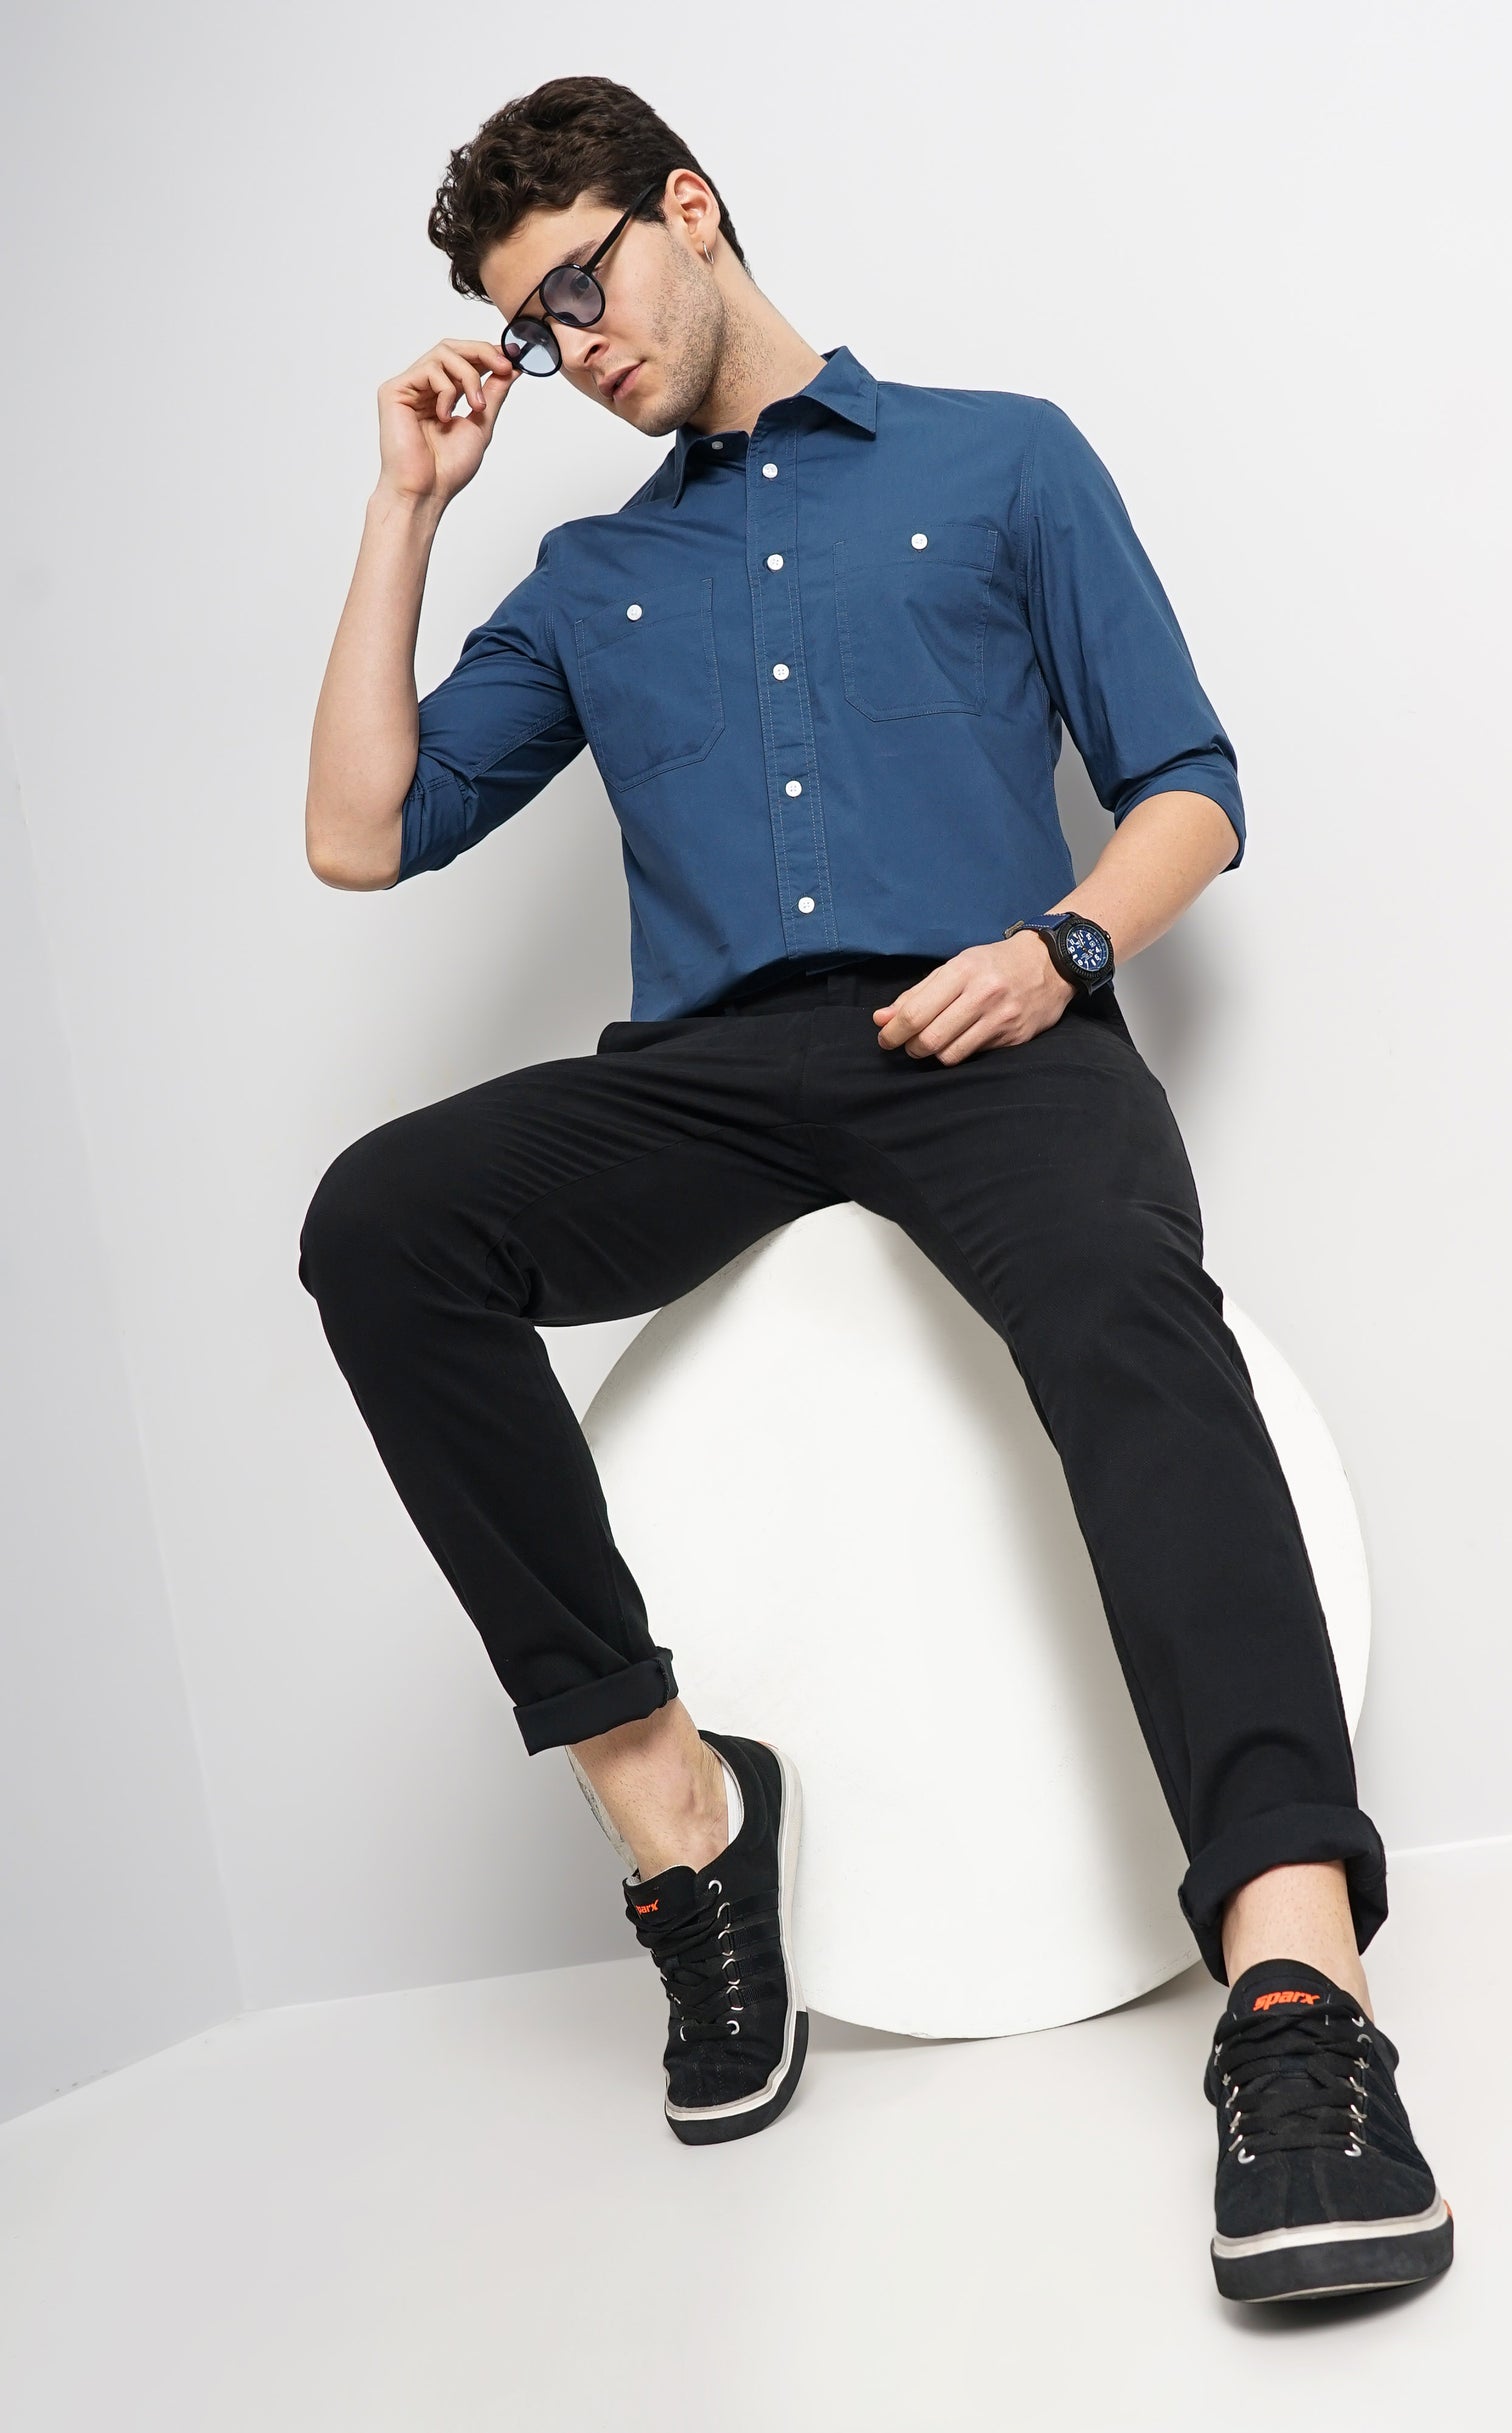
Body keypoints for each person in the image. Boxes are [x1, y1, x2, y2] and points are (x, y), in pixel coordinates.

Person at [298, 73, 1451, 2303]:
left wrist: (1061, 948)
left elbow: (1188, 788)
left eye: (580, 288)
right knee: (383, 1222)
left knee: (1128, 1311)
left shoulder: (1000, 457)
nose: (569, 351)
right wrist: (407, 509)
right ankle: (677, 1807)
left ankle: (1300, 1994)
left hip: (994, 1025)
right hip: (715, 1076)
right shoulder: (591, 576)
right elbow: (362, 832)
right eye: (528, 330)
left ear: (691, 209)